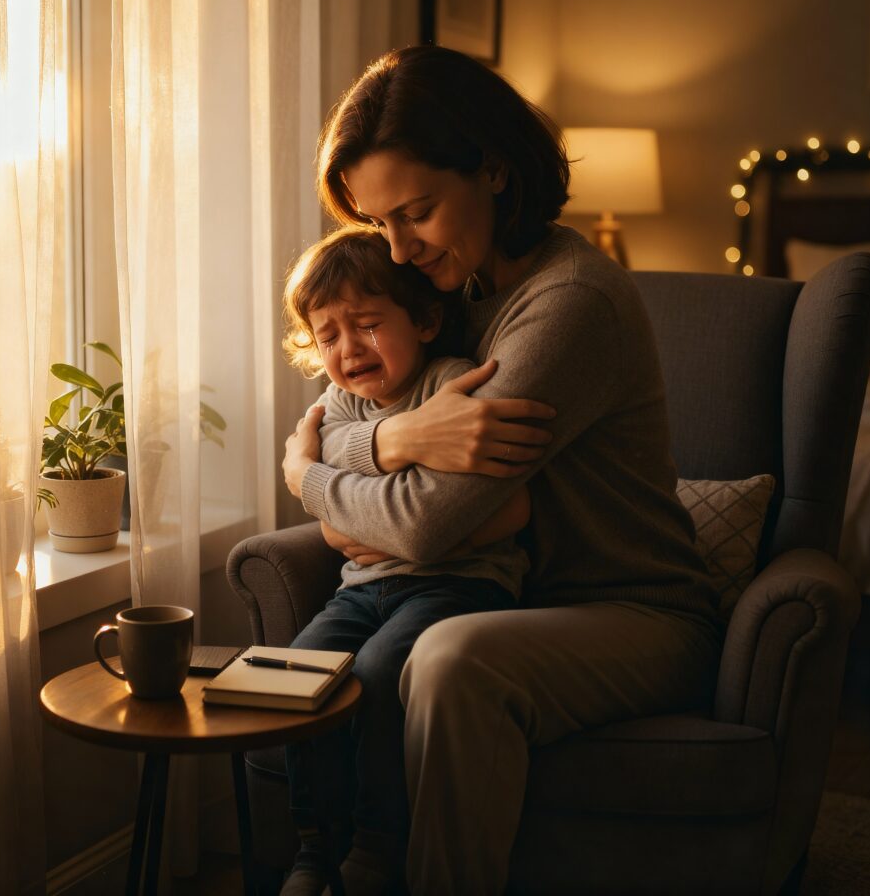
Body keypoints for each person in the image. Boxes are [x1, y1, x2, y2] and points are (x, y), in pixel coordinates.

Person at [281, 45, 722, 895]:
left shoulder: (566, 307)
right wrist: (389, 445)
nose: (399, 252)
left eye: (416, 212)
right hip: (505, 593)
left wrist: (306, 475)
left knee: (452, 659)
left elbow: (423, 524)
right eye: (378, 224)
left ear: (492, 170)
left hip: (633, 612)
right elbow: (365, 428)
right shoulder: (452, 293)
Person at [279, 225, 531, 896]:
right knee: (297, 674)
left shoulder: (456, 387)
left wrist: (359, 514)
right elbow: (323, 488)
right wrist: (357, 499)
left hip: (459, 588)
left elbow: (511, 511)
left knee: (381, 671)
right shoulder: (333, 408)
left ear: (423, 319)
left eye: (366, 324)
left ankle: (378, 844)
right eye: (327, 335)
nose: (348, 348)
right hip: (361, 592)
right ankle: (313, 850)